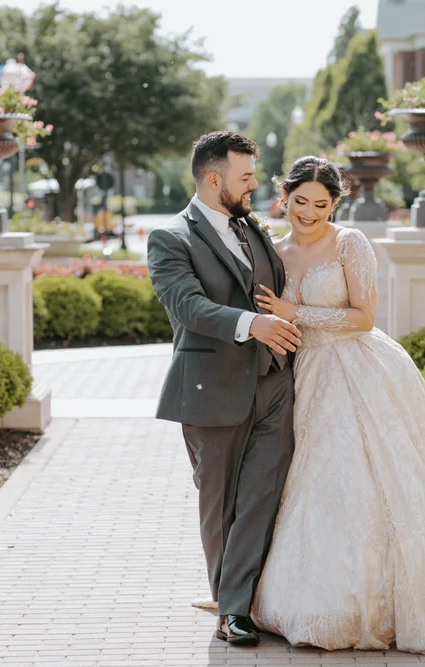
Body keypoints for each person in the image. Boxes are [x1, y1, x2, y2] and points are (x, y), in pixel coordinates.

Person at [250, 156, 425, 656]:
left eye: (321, 205)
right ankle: (306, 594)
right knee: (310, 480)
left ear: (334, 203)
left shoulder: (350, 244)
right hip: (304, 375)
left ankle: (386, 600)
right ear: (285, 196)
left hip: (358, 368)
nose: (309, 213)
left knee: (365, 474)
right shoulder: (273, 252)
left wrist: (294, 311)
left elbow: (364, 318)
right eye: (300, 202)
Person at [146, 131, 301, 647]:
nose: (256, 185)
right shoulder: (170, 238)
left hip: (276, 383)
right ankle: (231, 607)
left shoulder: (252, 228)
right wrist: (250, 324)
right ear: (215, 179)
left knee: (260, 498)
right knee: (220, 504)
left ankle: (238, 607)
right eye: (246, 176)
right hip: (211, 388)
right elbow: (186, 306)